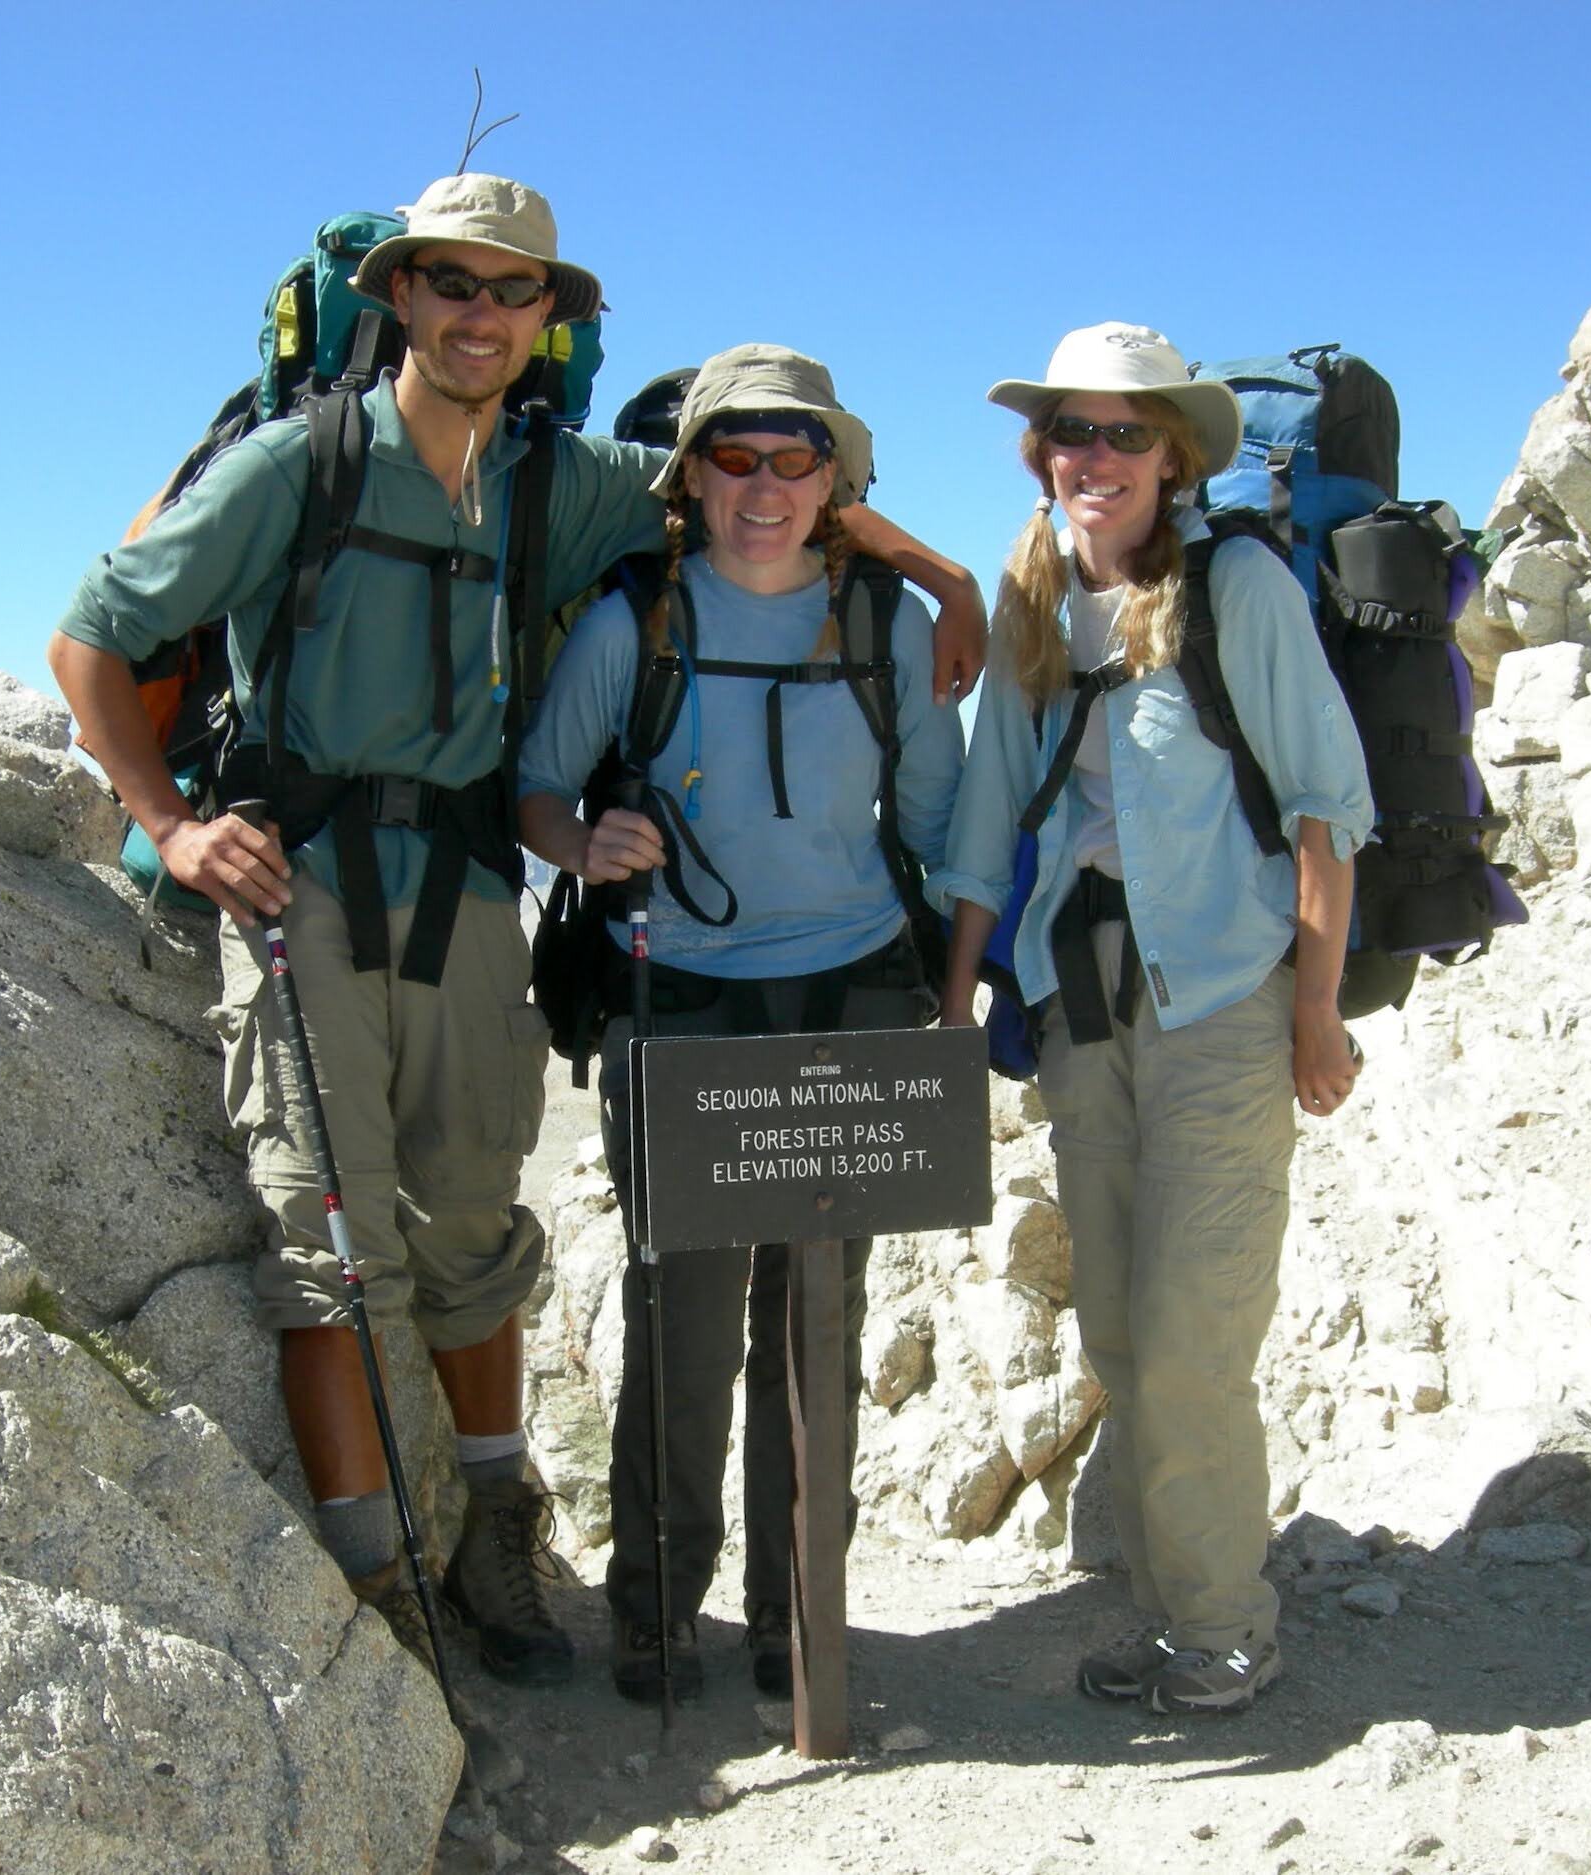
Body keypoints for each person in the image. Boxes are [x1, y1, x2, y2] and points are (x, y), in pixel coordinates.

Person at [48, 173, 986, 1718]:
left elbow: (740, 483)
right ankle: (371, 1600)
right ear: (398, 297)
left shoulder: (569, 481)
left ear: (548, 318)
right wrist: (173, 820)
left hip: (473, 890)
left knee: (475, 1225)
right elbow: (89, 631)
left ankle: (495, 1533)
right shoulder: (297, 466)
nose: (483, 316)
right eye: (454, 286)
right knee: (328, 1246)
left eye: (514, 292)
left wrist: (940, 573)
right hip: (301, 881)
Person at [930, 322, 1372, 1717]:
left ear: (1177, 456)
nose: (1097, 457)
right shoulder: (1037, 601)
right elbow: (991, 807)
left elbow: (1325, 807)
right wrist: (956, 1000)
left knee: (1191, 1335)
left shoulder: (1236, 585)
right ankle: (1180, 1609)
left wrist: (1317, 1012)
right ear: (1041, 452)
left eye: (1128, 434)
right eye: (1075, 431)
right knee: (1119, 1332)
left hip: (1227, 1004)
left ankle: (1228, 1626)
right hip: (1080, 1003)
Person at [517, 344, 963, 1702]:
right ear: (690, 475)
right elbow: (537, 792)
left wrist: (949, 1016)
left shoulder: (889, 624)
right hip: (684, 1004)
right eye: (733, 457)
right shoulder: (631, 627)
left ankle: (796, 1620)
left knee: (817, 1329)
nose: (762, 487)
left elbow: (941, 828)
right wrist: (586, 841)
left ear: (833, 479)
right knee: (685, 1327)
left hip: (856, 1000)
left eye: (794, 459)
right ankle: (658, 1616)